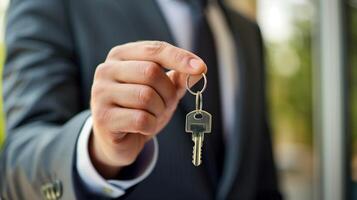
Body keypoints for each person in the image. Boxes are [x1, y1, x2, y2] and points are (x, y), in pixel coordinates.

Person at [0, 0, 282, 199]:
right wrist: (98, 151)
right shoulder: (57, 4)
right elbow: (17, 167)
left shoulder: (247, 33)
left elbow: (263, 181)